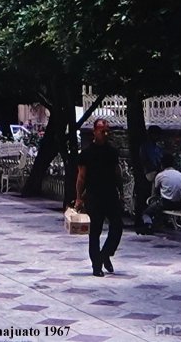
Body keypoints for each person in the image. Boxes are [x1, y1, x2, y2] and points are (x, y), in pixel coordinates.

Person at [75, 118, 123, 277]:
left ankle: (105, 254)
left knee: (117, 227)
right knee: (95, 231)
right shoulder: (87, 153)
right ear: (94, 131)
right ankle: (96, 265)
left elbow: (117, 172)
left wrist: (121, 192)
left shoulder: (112, 151)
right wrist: (79, 198)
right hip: (94, 196)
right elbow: (81, 177)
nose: (105, 133)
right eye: (102, 130)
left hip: (110, 194)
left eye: (107, 130)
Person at [141, 153, 181, 234]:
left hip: (166, 203)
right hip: (179, 203)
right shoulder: (179, 174)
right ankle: (158, 224)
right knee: (157, 206)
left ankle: (149, 226)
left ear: (162, 164)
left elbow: (155, 193)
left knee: (146, 213)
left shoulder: (160, 175)